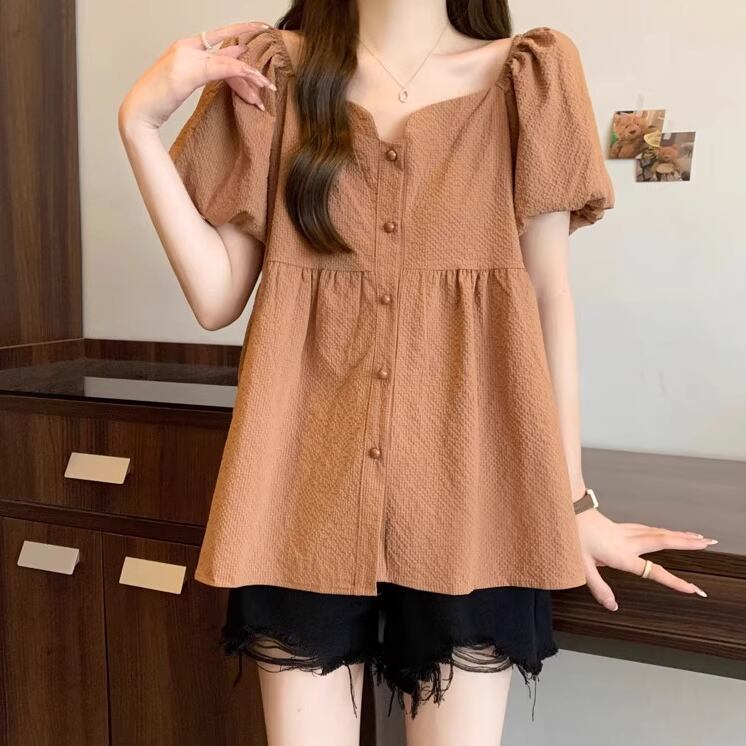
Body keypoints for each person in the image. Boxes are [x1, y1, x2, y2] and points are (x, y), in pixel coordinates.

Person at [118, 2, 717, 744]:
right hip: (300, 490)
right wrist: (139, 125)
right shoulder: (271, 76)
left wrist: (571, 502)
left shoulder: (530, 75)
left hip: (474, 493)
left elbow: (547, 297)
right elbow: (216, 299)